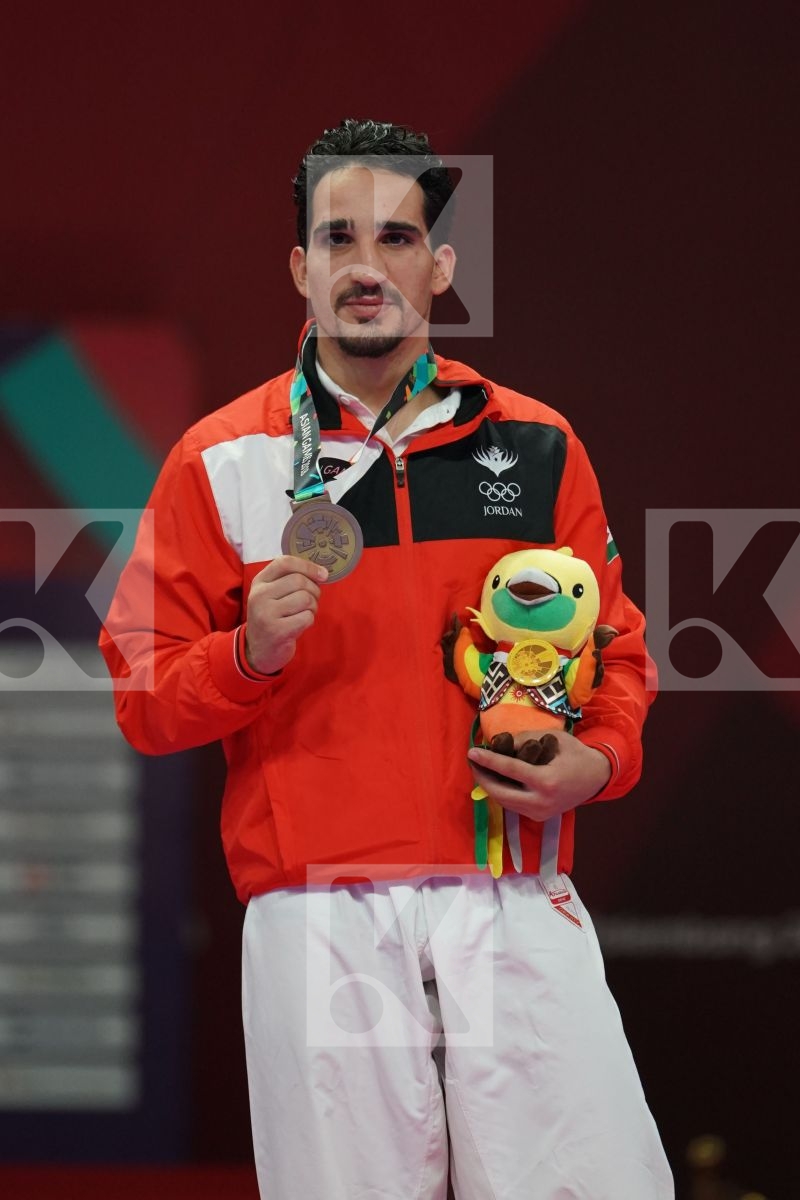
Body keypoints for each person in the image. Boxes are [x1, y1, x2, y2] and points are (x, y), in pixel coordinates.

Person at [100, 118, 674, 1199]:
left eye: (397, 239)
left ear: (441, 265)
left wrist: (597, 763)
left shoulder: (537, 443)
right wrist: (247, 655)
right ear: (299, 267)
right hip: (323, 910)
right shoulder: (221, 461)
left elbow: (617, 655)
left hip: (508, 887)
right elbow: (143, 699)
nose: (367, 266)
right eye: (338, 239)